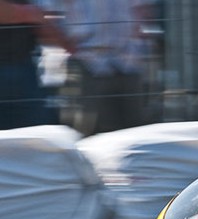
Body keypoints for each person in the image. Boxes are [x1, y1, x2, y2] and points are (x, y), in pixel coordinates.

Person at [47, 0, 155, 136]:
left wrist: (138, 27)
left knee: (135, 129)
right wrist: (67, 44)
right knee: (88, 129)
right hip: (86, 61)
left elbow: (142, 7)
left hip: (129, 60)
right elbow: (47, 14)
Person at [0, 0, 72, 129]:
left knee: (40, 134)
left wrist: (68, 44)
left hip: (24, 66)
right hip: (14, 69)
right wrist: (27, 13)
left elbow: (39, 24)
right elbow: (32, 15)